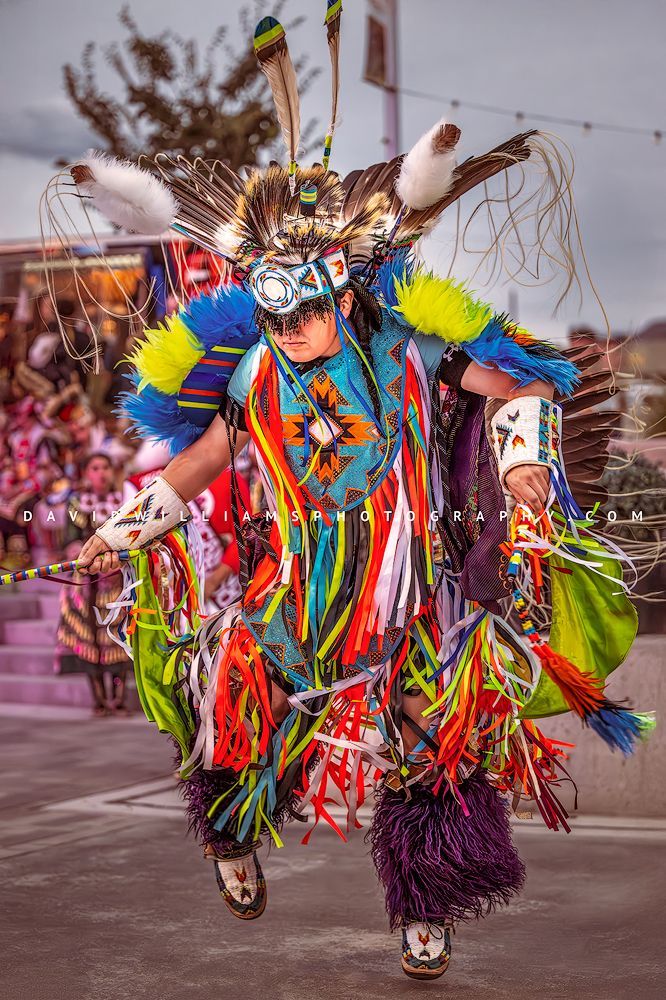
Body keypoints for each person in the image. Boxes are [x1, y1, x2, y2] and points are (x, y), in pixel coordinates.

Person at [59, 9, 649, 981]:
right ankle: (231, 834)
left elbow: (525, 384)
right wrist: (121, 532)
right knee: (235, 704)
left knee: (429, 736)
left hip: (407, 583)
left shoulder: (411, 352)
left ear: (341, 294)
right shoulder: (251, 375)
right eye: (276, 314)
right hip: (294, 585)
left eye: (307, 312)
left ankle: (427, 903)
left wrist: (526, 468)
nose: (291, 329)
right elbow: (203, 458)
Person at [56, 452, 132, 716]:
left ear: (113, 471)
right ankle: (99, 700)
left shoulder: (125, 500)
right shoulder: (76, 503)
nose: (101, 473)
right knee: (89, 639)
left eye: (105, 467)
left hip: (117, 580)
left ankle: (119, 699)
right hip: (84, 583)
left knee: (118, 637)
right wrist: (77, 552)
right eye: (95, 467)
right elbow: (69, 539)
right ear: (86, 473)